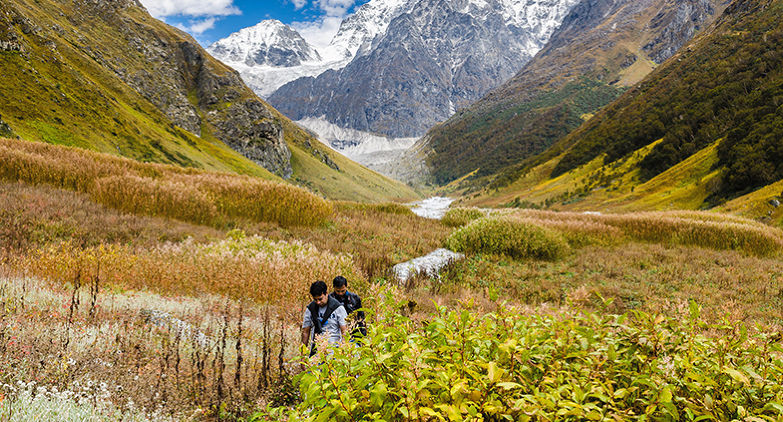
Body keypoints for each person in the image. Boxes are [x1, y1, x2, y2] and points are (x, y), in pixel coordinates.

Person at [302, 280, 348, 356]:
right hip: (316, 352)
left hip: (333, 352)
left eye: (320, 299)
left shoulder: (338, 308)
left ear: (326, 293)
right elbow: (305, 332)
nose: (318, 302)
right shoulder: (311, 309)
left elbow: (345, 331)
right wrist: (303, 355)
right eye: (315, 299)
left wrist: (343, 352)